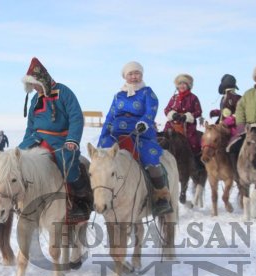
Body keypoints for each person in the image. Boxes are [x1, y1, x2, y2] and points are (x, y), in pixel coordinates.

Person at [20, 57, 91, 220]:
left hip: (60, 140)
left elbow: (76, 117)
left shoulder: (64, 92)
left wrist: (72, 139)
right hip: (35, 138)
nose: (35, 88)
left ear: (43, 80)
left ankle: (81, 200)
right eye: (32, 85)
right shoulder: (35, 99)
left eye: (36, 84)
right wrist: (24, 144)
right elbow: (30, 125)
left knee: (68, 166)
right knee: (18, 161)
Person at [98, 61, 172, 216]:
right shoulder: (118, 96)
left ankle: (161, 196)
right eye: (130, 74)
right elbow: (110, 115)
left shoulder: (147, 92)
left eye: (137, 73)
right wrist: (104, 134)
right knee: (101, 160)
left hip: (139, 131)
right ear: (125, 76)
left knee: (149, 157)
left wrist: (144, 123)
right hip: (116, 131)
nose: (134, 76)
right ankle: (99, 195)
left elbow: (151, 109)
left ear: (142, 75)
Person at [227, 65, 256, 155]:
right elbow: (240, 109)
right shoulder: (248, 94)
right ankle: (236, 167)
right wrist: (241, 125)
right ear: (255, 79)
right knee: (234, 147)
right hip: (249, 127)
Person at [163, 74, 203, 156]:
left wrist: (187, 116)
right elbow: (167, 109)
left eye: (184, 83)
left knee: (193, 142)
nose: (182, 86)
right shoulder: (174, 98)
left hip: (188, 126)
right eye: (180, 84)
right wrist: (172, 115)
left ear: (188, 85)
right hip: (173, 124)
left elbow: (198, 111)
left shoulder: (193, 98)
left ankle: (196, 161)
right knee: (164, 138)